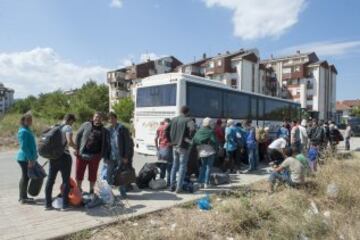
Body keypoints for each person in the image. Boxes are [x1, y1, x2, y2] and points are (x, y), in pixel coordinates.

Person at [45, 114, 77, 210]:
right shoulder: (68, 127)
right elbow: (70, 142)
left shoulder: (54, 126)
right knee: (66, 181)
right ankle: (65, 205)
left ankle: (48, 205)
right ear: (70, 120)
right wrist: (77, 147)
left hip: (53, 157)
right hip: (64, 157)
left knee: (50, 180)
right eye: (72, 122)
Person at [76, 112, 107, 194]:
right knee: (79, 172)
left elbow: (105, 143)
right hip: (82, 153)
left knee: (93, 174)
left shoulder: (104, 129)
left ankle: (91, 190)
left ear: (102, 119)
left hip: (95, 155)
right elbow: (78, 135)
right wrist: (77, 149)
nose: (98, 119)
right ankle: (79, 188)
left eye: (100, 117)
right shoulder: (86, 125)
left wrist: (102, 154)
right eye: (96, 117)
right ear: (93, 118)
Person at [103, 112, 133, 198]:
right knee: (108, 175)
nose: (111, 120)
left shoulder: (122, 128)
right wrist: (105, 156)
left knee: (121, 175)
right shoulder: (108, 129)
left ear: (116, 118)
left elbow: (127, 144)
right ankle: (108, 193)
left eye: (112, 118)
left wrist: (126, 156)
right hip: (110, 156)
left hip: (121, 156)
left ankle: (123, 193)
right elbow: (106, 144)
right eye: (109, 119)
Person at [167, 106, 196, 193]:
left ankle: (172, 186)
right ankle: (179, 188)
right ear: (187, 112)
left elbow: (166, 130)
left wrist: (170, 141)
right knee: (182, 166)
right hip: (183, 146)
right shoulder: (188, 120)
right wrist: (188, 138)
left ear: (180, 111)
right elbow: (193, 129)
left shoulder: (173, 119)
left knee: (174, 166)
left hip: (174, 146)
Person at [16, 112, 37, 204]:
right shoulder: (23, 131)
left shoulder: (27, 129)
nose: (30, 121)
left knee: (27, 177)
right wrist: (30, 159)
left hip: (28, 157)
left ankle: (24, 196)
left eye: (30, 120)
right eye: (28, 120)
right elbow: (24, 147)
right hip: (24, 158)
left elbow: (31, 145)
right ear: (23, 121)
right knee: (25, 177)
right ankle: (22, 198)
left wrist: (34, 155)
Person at [192, 117, 218, 189]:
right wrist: (216, 149)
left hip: (202, 152)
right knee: (208, 167)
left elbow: (194, 140)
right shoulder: (211, 131)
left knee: (203, 167)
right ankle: (206, 183)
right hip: (210, 151)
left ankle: (200, 182)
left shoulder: (199, 131)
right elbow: (214, 142)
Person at [155, 118, 172, 185]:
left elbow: (156, 138)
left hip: (161, 148)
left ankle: (161, 181)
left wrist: (157, 148)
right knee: (169, 166)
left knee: (162, 165)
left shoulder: (160, 127)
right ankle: (168, 182)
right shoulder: (170, 127)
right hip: (167, 148)